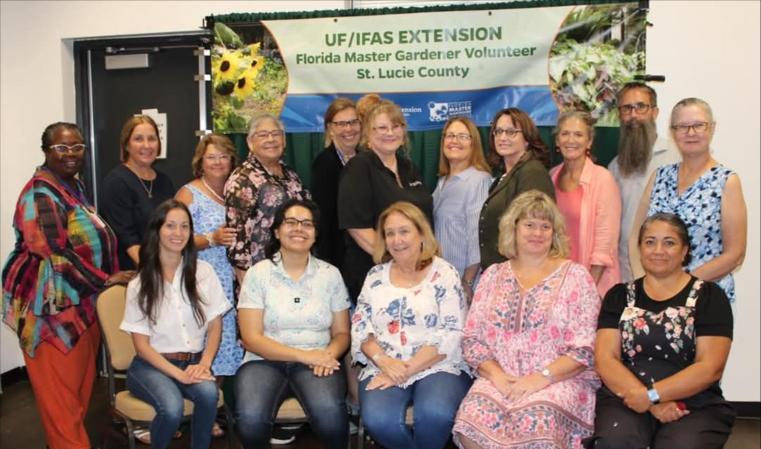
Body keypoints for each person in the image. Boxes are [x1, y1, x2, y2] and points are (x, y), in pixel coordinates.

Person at [2, 122, 130, 449]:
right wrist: (107, 279)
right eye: (61, 147)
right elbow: (53, 254)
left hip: (82, 305)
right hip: (49, 312)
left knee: (76, 395)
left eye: (77, 147)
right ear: (46, 151)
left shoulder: (72, 186)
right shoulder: (40, 194)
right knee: (60, 401)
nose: (70, 154)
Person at [453, 190, 602, 449]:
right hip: (501, 378)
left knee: (538, 423)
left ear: (554, 233)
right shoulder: (492, 275)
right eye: (530, 225)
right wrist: (497, 375)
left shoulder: (576, 276)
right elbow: (473, 339)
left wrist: (540, 378)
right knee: (470, 421)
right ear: (514, 228)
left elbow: (584, 348)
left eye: (545, 226)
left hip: (558, 380)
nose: (537, 233)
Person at [587, 213, 735, 449]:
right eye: (650, 242)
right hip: (627, 396)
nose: (658, 250)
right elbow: (606, 359)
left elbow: (710, 367)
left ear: (684, 250)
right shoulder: (619, 296)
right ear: (640, 248)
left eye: (669, 243)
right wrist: (648, 401)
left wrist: (653, 395)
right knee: (616, 441)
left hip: (691, 402)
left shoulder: (709, 297)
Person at [351, 201, 471, 449]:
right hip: (384, 365)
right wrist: (384, 361)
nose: (397, 240)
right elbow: (361, 327)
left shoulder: (445, 273)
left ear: (422, 234)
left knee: (435, 414)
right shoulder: (375, 276)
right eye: (390, 233)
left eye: (404, 231)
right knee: (379, 420)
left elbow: (451, 332)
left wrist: (406, 369)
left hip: (438, 365)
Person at [235, 199, 351, 449]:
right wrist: (305, 356)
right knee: (251, 421)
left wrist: (328, 355)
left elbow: (342, 333)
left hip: (318, 361)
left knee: (331, 417)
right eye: (291, 222)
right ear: (277, 231)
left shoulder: (330, 274)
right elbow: (251, 338)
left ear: (316, 234)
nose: (299, 228)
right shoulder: (258, 274)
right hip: (263, 361)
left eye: (307, 224)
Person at [120, 199, 230, 449]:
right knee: (171, 408)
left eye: (184, 226)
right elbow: (142, 347)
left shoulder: (204, 272)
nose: (178, 233)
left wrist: (204, 364)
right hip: (151, 367)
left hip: (193, 362)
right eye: (170, 226)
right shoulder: (140, 283)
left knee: (209, 394)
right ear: (157, 230)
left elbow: (215, 325)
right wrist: (179, 375)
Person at [629, 98, 747, 303]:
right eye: (682, 126)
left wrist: (680, 287)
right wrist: (644, 286)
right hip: (654, 296)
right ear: (673, 131)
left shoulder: (726, 181)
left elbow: (735, 254)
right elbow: (635, 238)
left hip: (706, 299)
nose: (690, 133)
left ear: (712, 128)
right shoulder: (659, 176)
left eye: (698, 125)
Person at [176, 133, 244, 438]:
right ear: (200, 162)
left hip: (231, 283)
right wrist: (211, 239)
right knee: (203, 348)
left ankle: (212, 410)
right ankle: (196, 413)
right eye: (211, 157)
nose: (218, 162)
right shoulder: (188, 193)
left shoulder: (235, 193)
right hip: (199, 282)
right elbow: (173, 238)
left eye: (223, 156)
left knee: (225, 349)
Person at [338, 99, 433, 302]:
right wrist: (396, 262)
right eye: (382, 128)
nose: (390, 133)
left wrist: (416, 264)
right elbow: (357, 228)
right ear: (368, 133)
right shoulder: (358, 168)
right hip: (375, 274)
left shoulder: (409, 167)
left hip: (415, 272)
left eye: (396, 126)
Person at [225, 113, 310, 285]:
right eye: (263, 135)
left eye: (276, 134)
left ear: (284, 140)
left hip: (293, 270)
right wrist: (248, 289)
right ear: (250, 142)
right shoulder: (243, 180)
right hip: (261, 278)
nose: (271, 139)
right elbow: (238, 243)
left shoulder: (290, 174)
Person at [608, 82, 679, 282]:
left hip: (669, 272)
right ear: (619, 115)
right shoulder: (614, 167)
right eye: (627, 108)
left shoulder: (676, 157)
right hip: (626, 272)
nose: (633, 115)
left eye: (641, 107)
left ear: (655, 112)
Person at [550, 111, 622, 297]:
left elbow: (605, 244)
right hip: (556, 283)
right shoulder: (551, 177)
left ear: (589, 142)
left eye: (578, 134)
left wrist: (586, 290)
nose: (570, 140)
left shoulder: (603, 179)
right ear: (557, 140)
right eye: (565, 133)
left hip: (592, 286)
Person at [478, 107, 554, 271]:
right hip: (500, 272)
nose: (502, 137)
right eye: (498, 131)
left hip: (521, 274)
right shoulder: (503, 177)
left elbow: (536, 233)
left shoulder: (532, 172)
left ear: (527, 138)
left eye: (511, 132)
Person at [101, 114, 175, 270]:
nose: (147, 145)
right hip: (135, 271)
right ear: (127, 145)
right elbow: (127, 238)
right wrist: (155, 273)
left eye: (152, 139)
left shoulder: (165, 181)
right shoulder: (116, 182)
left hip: (163, 266)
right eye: (138, 139)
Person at [432, 116, 491, 298]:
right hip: (441, 280)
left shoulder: (479, 180)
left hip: (463, 284)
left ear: (474, 143)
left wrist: (467, 282)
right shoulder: (442, 182)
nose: (454, 141)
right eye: (450, 135)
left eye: (463, 136)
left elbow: (477, 236)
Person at [311, 98, 361, 268]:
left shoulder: (366, 159)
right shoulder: (325, 163)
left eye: (353, 122)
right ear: (330, 129)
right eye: (341, 124)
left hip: (363, 251)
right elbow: (325, 219)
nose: (349, 129)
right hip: (339, 256)